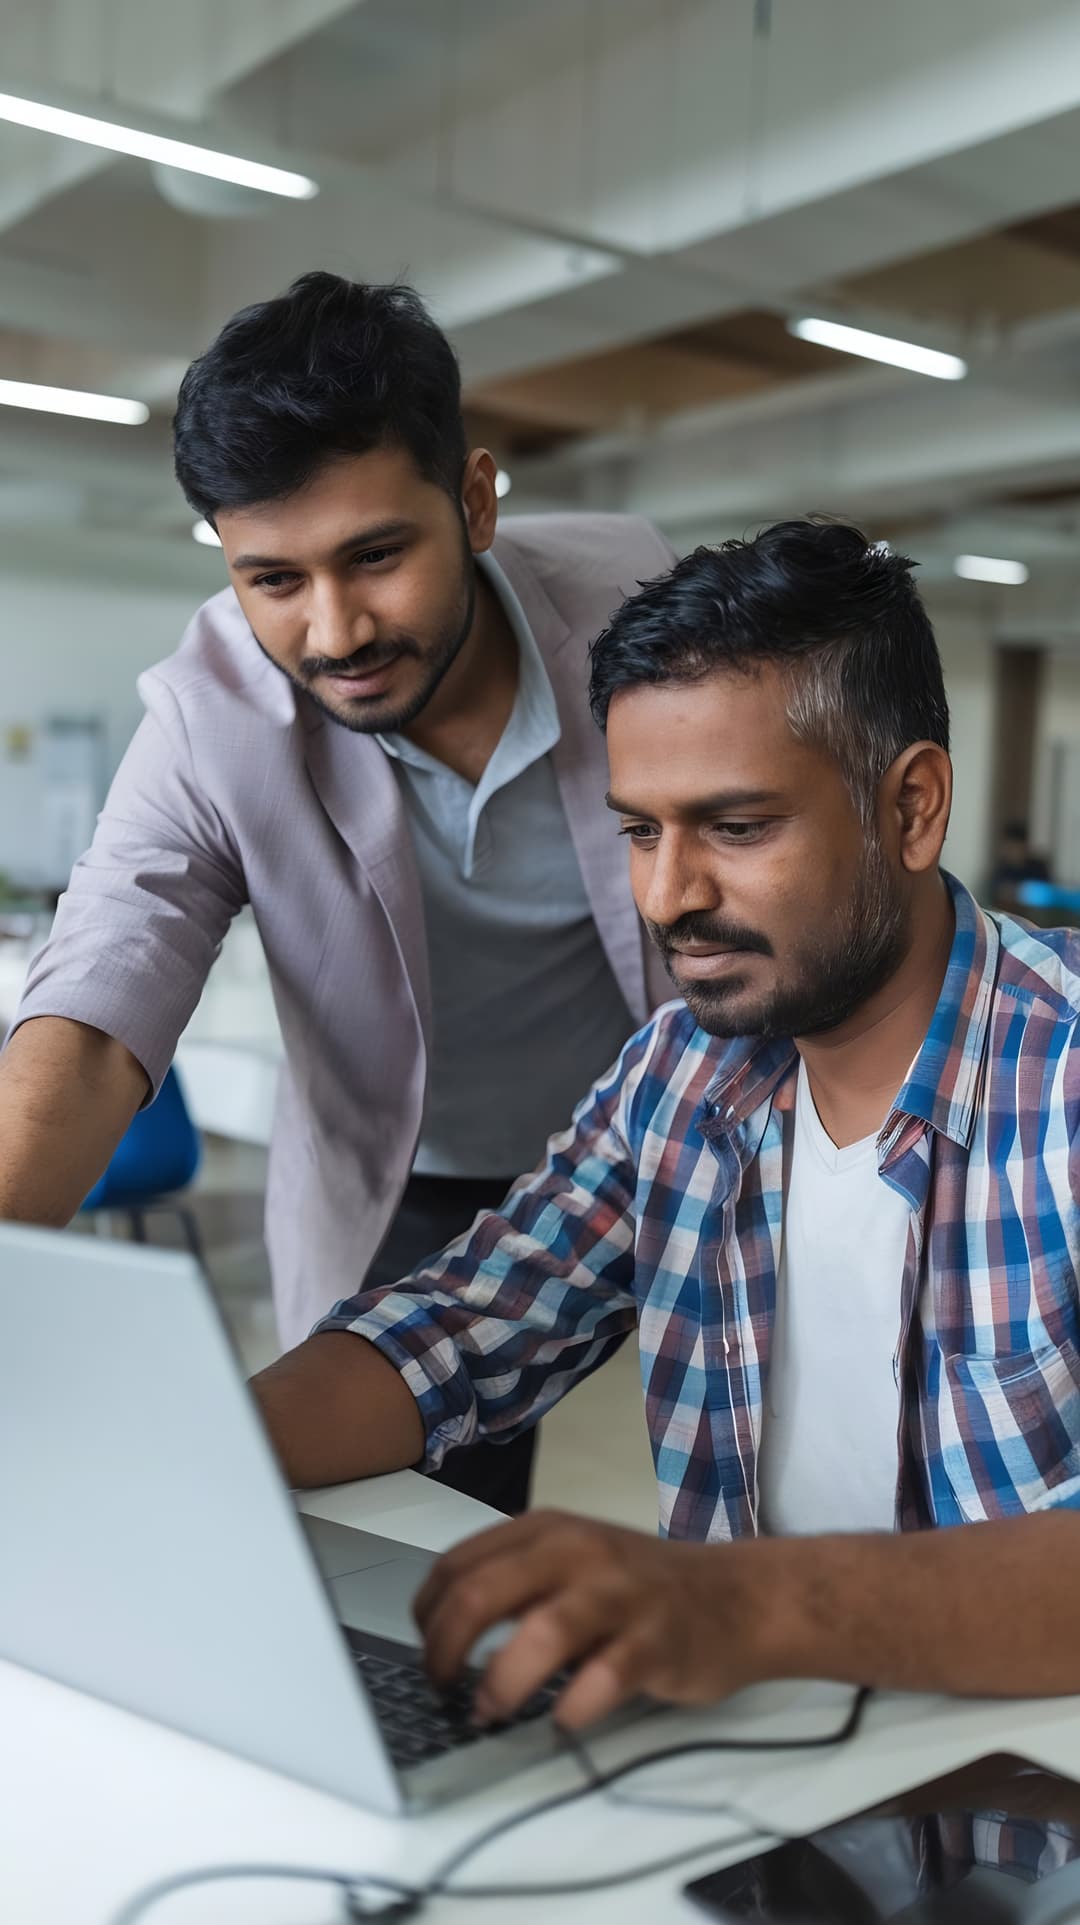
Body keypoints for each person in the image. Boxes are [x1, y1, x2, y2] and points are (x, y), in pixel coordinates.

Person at [252, 519, 1080, 1731]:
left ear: (911, 806)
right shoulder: (686, 1070)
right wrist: (204, 1451)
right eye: (641, 827)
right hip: (761, 1769)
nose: (667, 896)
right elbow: (469, 1323)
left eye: (737, 828)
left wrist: (737, 1603)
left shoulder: (1060, 1080)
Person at [0, 271, 673, 1516]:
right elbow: (100, 1002)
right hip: (408, 1179)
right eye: (274, 579)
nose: (335, 629)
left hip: (664, 1145)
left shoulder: (645, 620)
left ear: (473, 501)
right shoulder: (212, 718)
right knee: (404, 1536)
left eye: (376, 555)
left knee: (770, 1462)